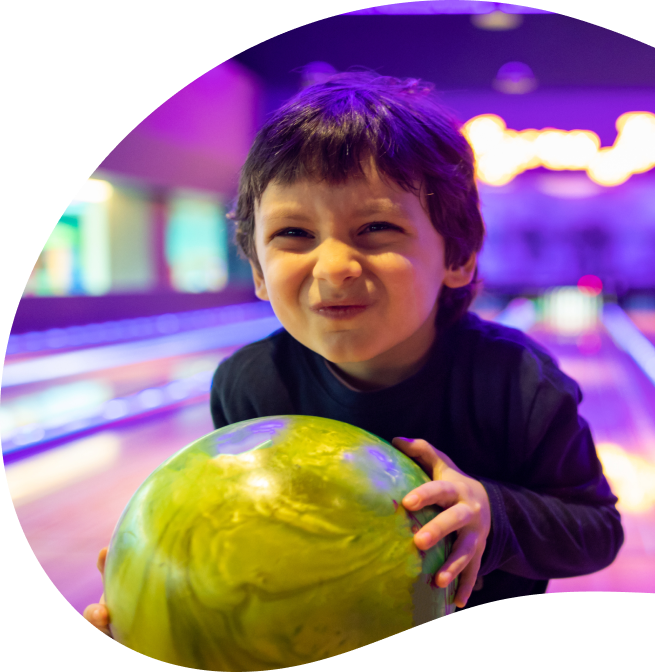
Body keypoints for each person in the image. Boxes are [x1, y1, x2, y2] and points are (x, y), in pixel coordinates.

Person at [84, 71, 623, 636]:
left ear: (457, 256)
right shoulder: (250, 385)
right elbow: (240, 545)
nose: (334, 266)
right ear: (257, 269)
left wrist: (495, 512)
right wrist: (158, 593)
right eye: (293, 233)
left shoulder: (518, 383)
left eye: (376, 228)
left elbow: (596, 530)